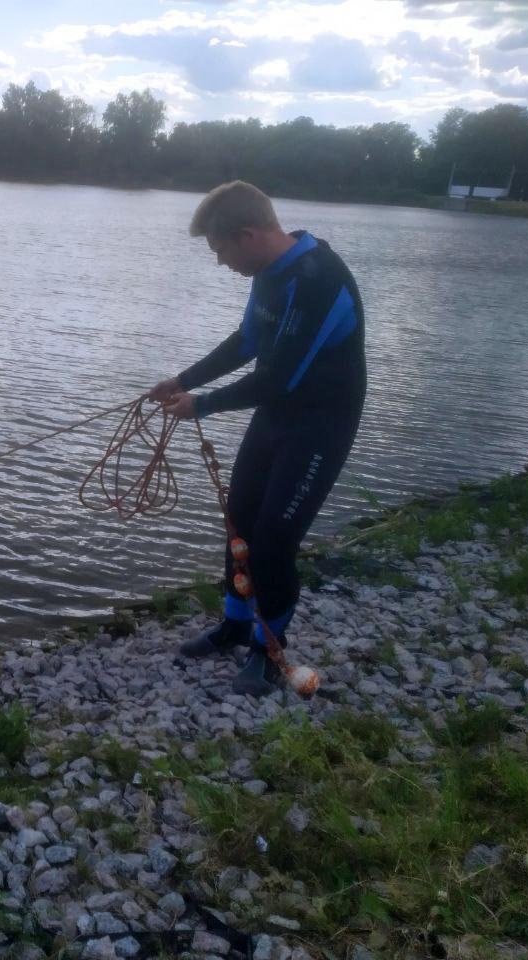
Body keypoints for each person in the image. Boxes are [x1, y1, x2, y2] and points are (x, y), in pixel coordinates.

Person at [149, 181, 366, 696]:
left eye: (220, 250)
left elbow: (279, 377)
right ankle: (234, 625)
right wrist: (186, 379)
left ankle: (269, 654)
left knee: (272, 543)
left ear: (247, 235)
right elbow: (248, 339)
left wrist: (200, 405)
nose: (220, 262)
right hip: (277, 416)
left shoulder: (318, 280)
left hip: (321, 424)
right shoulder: (268, 273)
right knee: (240, 522)